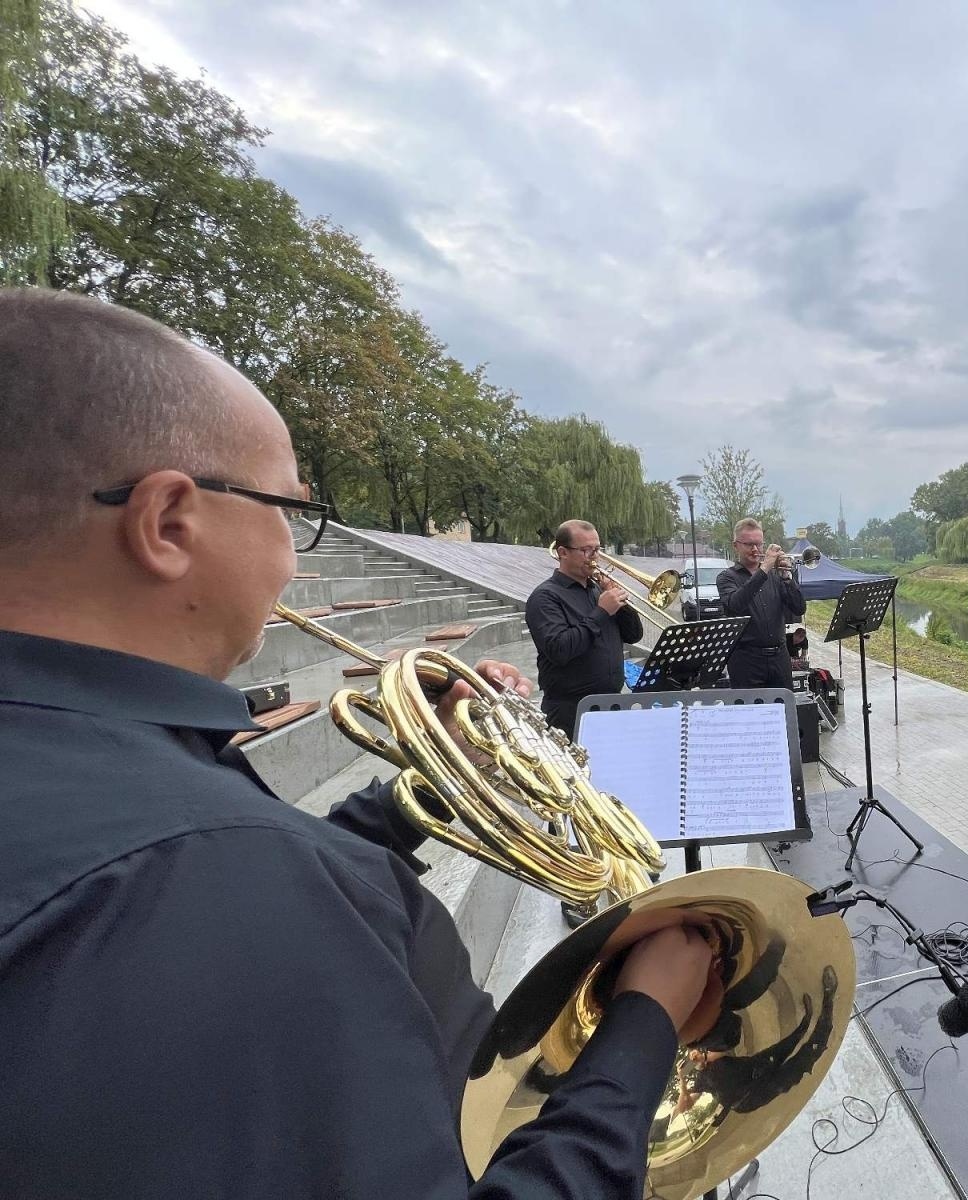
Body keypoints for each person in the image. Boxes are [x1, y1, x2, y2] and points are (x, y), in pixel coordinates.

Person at [0, 289, 714, 1199]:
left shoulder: (109, 788)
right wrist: (647, 1018)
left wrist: (416, 798)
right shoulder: (203, 872)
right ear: (168, 523)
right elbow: (221, 886)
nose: (295, 555)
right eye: (287, 513)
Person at [524, 519, 644, 738]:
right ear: (563, 552)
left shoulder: (598, 590)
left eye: (597, 549)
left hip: (611, 704)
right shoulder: (545, 597)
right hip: (570, 712)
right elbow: (559, 649)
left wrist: (620, 602)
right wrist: (601, 612)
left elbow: (634, 635)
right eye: (585, 550)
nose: (594, 557)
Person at [717, 517, 806, 688]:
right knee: (751, 712)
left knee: (783, 711)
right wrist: (764, 568)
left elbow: (799, 608)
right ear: (736, 545)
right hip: (746, 660)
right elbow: (735, 604)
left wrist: (787, 577)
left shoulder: (776, 575)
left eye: (759, 544)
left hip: (779, 658)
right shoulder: (726, 577)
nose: (756, 549)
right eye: (749, 544)